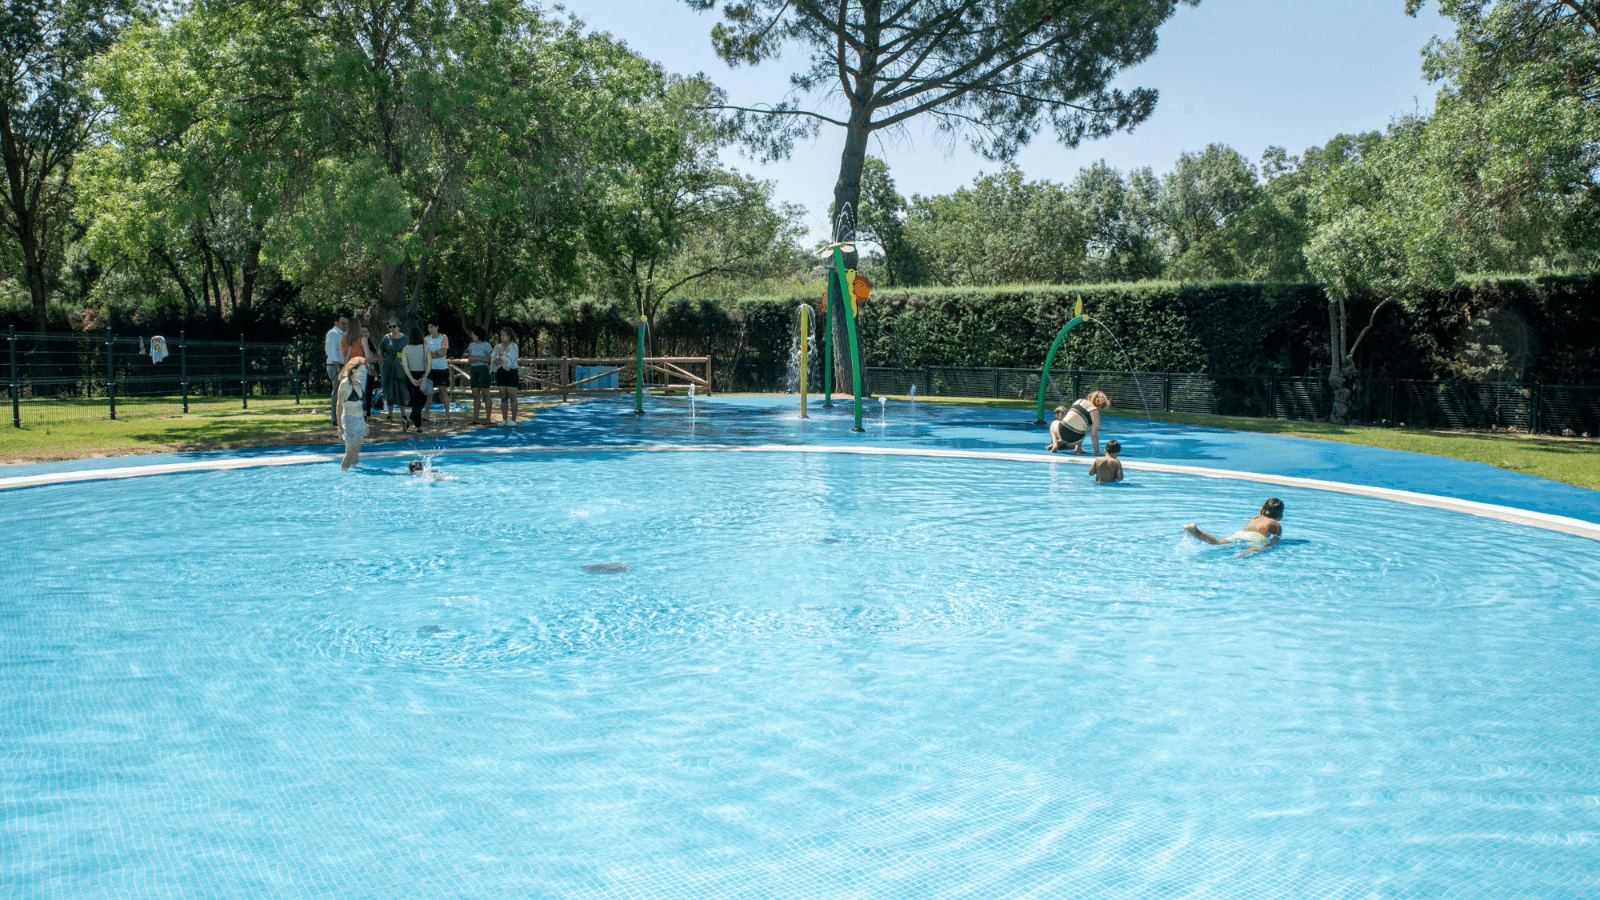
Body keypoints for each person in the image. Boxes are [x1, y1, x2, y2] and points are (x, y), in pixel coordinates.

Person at [1184, 497, 1285, 553]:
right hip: (1257, 538)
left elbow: (1246, 530)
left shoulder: (1255, 517)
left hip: (1240, 534)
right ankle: (1245, 553)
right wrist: (1265, 546)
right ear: (1280, 517)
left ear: (1261, 510)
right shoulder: (1276, 524)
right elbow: (1274, 542)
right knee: (1262, 547)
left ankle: (1195, 530)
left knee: (1217, 541)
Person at [1046, 389, 1111, 455]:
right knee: (1084, 426)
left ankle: (1055, 443)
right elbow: (1094, 435)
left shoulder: (1079, 401)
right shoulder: (1095, 413)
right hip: (1076, 438)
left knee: (1054, 423)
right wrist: (1096, 452)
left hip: (1062, 432)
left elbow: (1069, 419)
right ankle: (1078, 448)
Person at [336, 356, 368, 471]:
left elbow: (360, 406)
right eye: (361, 371)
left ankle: (356, 473)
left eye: (365, 371)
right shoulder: (345, 384)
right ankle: (344, 473)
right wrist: (340, 426)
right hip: (349, 420)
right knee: (349, 453)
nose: (363, 374)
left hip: (359, 420)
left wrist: (364, 423)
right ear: (353, 370)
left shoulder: (358, 383)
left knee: (356, 451)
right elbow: (339, 405)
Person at [344, 323, 379, 420]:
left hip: (371, 371)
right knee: (359, 392)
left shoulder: (371, 344)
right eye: (362, 331)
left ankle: (368, 415)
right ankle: (358, 414)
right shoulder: (358, 344)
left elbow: (376, 358)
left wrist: (372, 361)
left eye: (366, 331)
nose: (365, 333)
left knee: (369, 393)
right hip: (361, 371)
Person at [401, 327, 431, 433]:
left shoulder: (406, 348)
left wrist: (412, 379)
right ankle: (416, 425)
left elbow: (405, 366)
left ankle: (414, 423)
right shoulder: (425, 348)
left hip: (410, 376)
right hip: (422, 374)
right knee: (421, 400)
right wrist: (424, 377)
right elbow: (429, 365)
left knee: (415, 401)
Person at [378, 318, 408, 421]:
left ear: (399, 326)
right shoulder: (386, 338)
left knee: (401, 389)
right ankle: (390, 414)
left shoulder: (405, 338)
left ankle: (403, 414)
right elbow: (380, 351)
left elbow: (407, 352)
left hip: (400, 367)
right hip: (388, 367)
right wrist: (381, 362)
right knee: (389, 389)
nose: (392, 328)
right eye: (390, 327)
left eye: (394, 326)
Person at [423, 320, 451, 424]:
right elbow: (425, 353)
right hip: (430, 368)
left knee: (443, 392)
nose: (430, 329)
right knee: (428, 393)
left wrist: (433, 353)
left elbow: (443, 352)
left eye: (432, 327)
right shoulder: (426, 339)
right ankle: (426, 415)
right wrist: (435, 353)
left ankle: (448, 416)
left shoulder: (444, 337)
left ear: (437, 327)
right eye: (429, 327)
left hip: (442, 368)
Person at [324, 312, 348, 426]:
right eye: (342, 323)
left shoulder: (344, 334)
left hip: (344, 365)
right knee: (337, 392)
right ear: (336, 322)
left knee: (344, 392)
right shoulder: (333, 334)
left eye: (346, 324)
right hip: (335, 366)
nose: (344, 326)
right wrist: (338, 368)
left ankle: (342, 416)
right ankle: (335, 417)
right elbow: (331, 352)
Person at [491, 326, 519, 424]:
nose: (501, 337)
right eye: (501, 335)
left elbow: (508, 359)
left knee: (512, 396)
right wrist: (497, 359)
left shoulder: (514, 346)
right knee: (503, 396)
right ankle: (504, 419)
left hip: (511, 372)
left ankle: (513, 420)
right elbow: (493, 357)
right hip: (501, 372)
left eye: (503, 335)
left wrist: (499, 359)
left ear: (509, 336)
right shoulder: (497, 346)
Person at [465, 327, 493, 424]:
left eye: (473, 334)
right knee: (475, 394)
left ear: (478, 334)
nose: (471, 335)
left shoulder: (487, 345)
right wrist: (471, 359)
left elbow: (491, 359)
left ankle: (488, 418)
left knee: (486, 394)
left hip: (483, 370)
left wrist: (479, 359)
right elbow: (469, 357)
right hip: (473, 370)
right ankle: (475, 418)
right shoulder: (471, 345)